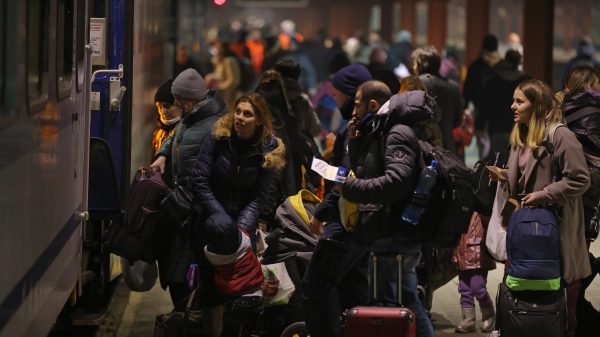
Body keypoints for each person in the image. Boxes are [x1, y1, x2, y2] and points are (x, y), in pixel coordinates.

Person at [490, 79, 592, 337]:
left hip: (554, 227)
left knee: (560, 291)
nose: (512, 106)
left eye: (519, 101)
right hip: (525, 227)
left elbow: (580, 179)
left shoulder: (560, 135)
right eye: (514, 100)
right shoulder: (521, 135)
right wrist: (505, 174)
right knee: (522, 285)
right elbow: (526, 175)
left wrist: (544, 195)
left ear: (537, 106)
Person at [337, 82, 437, 337]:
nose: (352, 110)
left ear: (372, 105)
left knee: (389, 305)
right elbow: (371, 169)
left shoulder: (396, 132)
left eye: (357, 103)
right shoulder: (382, 130)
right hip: (390, 229)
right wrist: (357, 143)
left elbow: (396, 182)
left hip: (394, 231)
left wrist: (351, 188)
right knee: (407, 301)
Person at [190, 93, 286, 337]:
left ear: (260, 121)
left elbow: (258, 196)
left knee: (239, 286)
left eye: (248, 114)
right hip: (211, 221)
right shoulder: (219, 137)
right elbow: (199, 180)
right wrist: (221, 219)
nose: (240, 118)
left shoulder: (269, 149)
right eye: (239, 111)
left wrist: (240, 230)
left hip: (242, 226)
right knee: (210, 286)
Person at [302, 64, 372, 337]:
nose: (334, 98)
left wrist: (320, 212)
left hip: (346, 221)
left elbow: (345, 178)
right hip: (362, 223)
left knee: (316, 286)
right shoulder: (362, 126)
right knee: (353, 289)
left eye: (337, 93)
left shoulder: (356, 130)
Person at [150, 69, 228, 312]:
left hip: (195, 214)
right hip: (181, 210)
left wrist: (186, 201)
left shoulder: (213, 126)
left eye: (178, 99)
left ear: (192, 98)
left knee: (188, 277)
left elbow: (214, 175)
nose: (175, 104)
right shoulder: (190, 117)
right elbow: (175, 137)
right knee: (176, 272)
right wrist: (162, 155)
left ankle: (190, 321)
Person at [561, 64, 600, 337]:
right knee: (576, 265)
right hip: (585, 199)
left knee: (561, 264)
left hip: (558, 194)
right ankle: (570, 324)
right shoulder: (596, 113)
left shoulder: (556, 107)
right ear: (590, 85)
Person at [203, 213, 264, 337]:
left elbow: (206, 248)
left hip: (233, 300)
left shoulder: (211, 255)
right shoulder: (246, 241)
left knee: (229, 332)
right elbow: (243, 231)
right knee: (254, 331)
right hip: (256, 296)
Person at [478, 50, 532, 154]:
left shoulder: (493, 82)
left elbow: (485, 106)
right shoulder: (527, 82)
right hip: (521, 127)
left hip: (497, 127)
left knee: (497, 160)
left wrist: (479, 125)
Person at [412, 45, 463, 155]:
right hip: (447, 147)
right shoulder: (453, 86)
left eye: (415, 63)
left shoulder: (414, 84)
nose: (414, 67)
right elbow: (458, 120)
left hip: (421, 146)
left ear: (421, 65)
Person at [452, 212, 496, 333]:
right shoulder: (461, 202)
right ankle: (468, 319)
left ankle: (488, 312)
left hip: (478, 252)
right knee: (464, 288)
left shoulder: (481, 205)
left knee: (478, 287)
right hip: (461, 251)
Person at [274, 58, 321, 138]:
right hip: (298, 148)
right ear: (297, 76)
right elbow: (315, 129)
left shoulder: (268, 97)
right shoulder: (302, 100)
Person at [151, 80, 180, 163]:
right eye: (159, 107)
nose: (163, 112)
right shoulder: (159, 134)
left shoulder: (188, 132)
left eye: (167, 106)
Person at [210, 41, 241, 110]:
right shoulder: (218, 61)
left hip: (228, 95)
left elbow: (232, 79)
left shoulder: (228, 61)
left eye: (217, 48)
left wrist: (221, 86)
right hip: (221, 94)